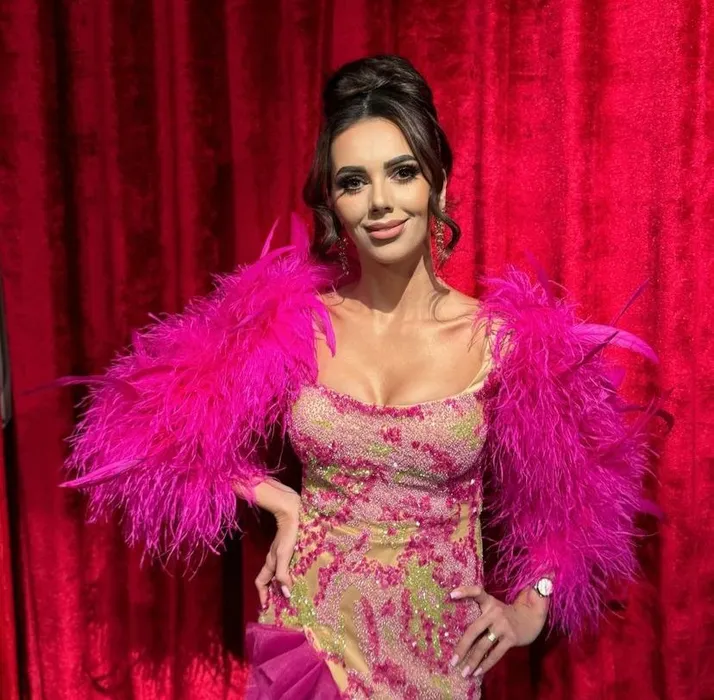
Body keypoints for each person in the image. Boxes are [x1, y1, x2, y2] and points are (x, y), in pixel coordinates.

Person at [59, 55, 665, 699]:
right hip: (310, 639)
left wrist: (532, 602)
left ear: (437, 181)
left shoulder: (505, 344)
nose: (379, 202)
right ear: (333, 201)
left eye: (402, 172)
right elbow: (141, 422)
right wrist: (279, 499)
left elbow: (586, 495)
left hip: (437, 658)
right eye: (353, 181)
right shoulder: (295, 325)